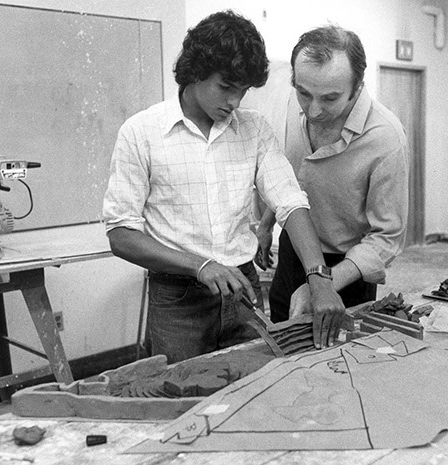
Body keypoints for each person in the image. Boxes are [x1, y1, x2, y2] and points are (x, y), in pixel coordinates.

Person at [102, 11, 344, 363]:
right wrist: (200, 265)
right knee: (182, 399)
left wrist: (319, 277)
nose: (234, 102)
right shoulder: (142, 133)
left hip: (242, 291)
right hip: (178, 300)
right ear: (195, 72)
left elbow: (290, 201)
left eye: (243, 91)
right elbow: (121, 234)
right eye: (226, 88)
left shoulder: (254, 129)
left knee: (251, 394)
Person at [255, 25, 409, 322]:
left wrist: (324, 283)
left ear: (357, 87)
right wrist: (266, 224)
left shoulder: (386, 138)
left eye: (329, 99)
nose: (313, 111)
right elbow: (290, 176)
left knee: (336, 361)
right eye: (304, 93)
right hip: (292, 251)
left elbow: (387, 237)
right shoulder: (294, 105)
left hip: (346, 271)